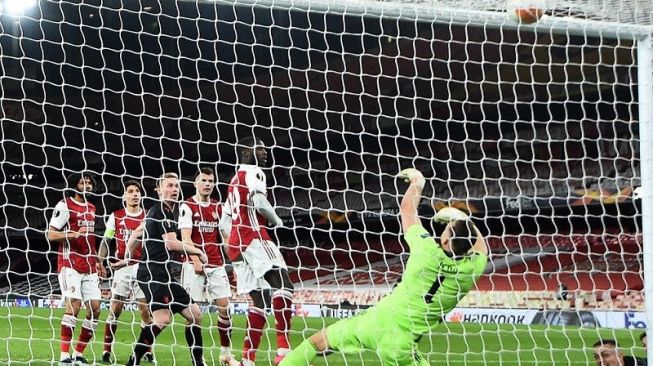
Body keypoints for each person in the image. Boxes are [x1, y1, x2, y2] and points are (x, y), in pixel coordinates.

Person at [279, 168, 488, 366]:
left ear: (445, 240)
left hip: (372, 322)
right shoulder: (469, 271)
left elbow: (407, 210)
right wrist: (465, 220)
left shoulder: (425, 249)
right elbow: (482, 249)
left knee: (317, 344)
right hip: (400, 344)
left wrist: (418, 183)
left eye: (449, 229)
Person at [221, 137, 293, 365]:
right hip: (254, 235)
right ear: (245, 153)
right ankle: (283, 351)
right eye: (260, 148)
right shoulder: (254, 172)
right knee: (284, 285)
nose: (265, 152)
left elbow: (224, 223)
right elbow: (260, 203)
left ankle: (248, 359)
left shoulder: (233, 181)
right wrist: (277, 220)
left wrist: (232, 246)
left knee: (260, 300)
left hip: (235, 245)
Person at [125, 173, 208, 366]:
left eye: (176, 186)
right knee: (162, 319)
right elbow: (171, 244)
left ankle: (198, 362)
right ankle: (134, 360)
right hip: (153, 273)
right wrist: (198, 251)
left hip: (163, 273)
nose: (174, 190)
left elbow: (137, 232)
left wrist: (127, 255)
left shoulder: (160, 212)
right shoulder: (160, 210)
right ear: (159, 190)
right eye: (169, 186)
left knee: (195, 315)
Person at [179, 167, 238, 366]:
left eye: (211, 181)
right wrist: (195, 259)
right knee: (194, 316)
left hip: (216, 264)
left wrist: (235, 264)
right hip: (192, 265)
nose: (207, 184)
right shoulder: (187, 206)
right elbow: (185, 237)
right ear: (195, 183)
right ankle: (198, 360)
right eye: (203, 180)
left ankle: (225, 353)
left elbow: (225, 238)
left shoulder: (217, 207)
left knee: (225, 309)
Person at [46, 172, 103, 366]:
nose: (86, 186)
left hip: (89, 265)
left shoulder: (92, 207)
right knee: (74, 306)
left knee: (95, 309)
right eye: (82, 182)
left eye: (89, 183)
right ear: (74, 185)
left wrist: (97, 261)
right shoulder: (64, 205)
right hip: (69, 263)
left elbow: (90, 239)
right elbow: (51, 235)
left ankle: (78, 354)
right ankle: (64, 356)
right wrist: (73, 234)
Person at [97, 180, 153, 364]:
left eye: (137, 191)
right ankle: (106, 350)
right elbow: (106, 241)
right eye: (131, 191)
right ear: (124, 196)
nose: (135, 194)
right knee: (115, 309)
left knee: (145, 310)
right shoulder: (116, 216)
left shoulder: (148, 216)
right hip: (121, 267)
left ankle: (148, 350)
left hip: (142, 267)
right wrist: (100, 261)